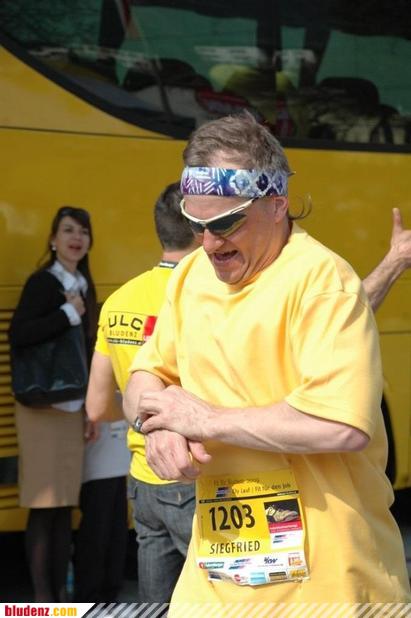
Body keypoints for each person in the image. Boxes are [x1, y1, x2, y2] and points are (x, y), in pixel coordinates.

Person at [123, 111, 411, 611]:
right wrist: (156, 425)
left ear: (277, 205)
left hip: (328, 587)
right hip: (217, 579)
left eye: (225, 223)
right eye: (196, 224)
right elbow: (146, 375)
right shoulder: (190, 276)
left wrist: (205, 420)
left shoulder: (322, 282)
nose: (209, 242)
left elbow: (341, 425)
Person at [86, 182, 200, 603]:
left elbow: (97, 405)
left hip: (142, 479)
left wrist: (141, 415)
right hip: (192, 475)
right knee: (215, 599)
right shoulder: (201, 295)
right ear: (199, 228)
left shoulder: (119, 300)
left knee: (156, 604)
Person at [9, 206, 97, 602]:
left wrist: (91, 409)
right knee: (44, 507)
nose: (76, 238)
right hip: (41, 410)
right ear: (53, 240)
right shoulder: (43, 283)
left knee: (64, 507)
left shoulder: (83, 283)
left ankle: (61, 597)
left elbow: (87, 352)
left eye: (83, 232)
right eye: (68, 230)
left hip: (71, 409)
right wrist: (66, 314)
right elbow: (19, 335)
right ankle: (44, 601)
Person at [74, 414, 131, 603]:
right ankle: (90, 595)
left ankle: (109, 591)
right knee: (97, 531)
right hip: (97, 459)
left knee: (116, 529)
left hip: (119, 455)